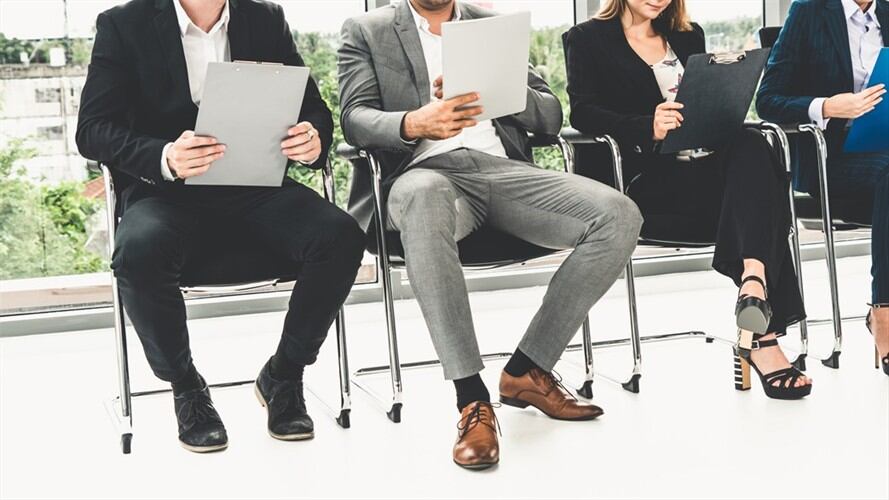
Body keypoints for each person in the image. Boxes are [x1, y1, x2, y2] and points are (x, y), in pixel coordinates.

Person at [338, 0, 643, 470]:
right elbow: (354, 119)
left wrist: (501, 92)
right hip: (421, 173)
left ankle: (527, 369)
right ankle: (471, 400)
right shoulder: (367, 29)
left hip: (501, 172)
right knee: (426, 197)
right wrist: (414, 122)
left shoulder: (492, 25)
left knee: (618, 214)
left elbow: (551, 117)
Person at [76, 0, 366, 453]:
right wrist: (164, 155)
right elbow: (92, 130)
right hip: (165, 192)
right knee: (138, 250)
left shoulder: (264, 18)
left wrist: (313, 136)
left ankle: (284, 376)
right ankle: (187, 388)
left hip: (255, 187)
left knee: (341, 235)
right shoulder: (123, 24)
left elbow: (313, 108)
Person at [564, 0, 813, 399]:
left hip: (704, 170)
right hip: (649, 182)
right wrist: (648, 127)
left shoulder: (686, 34)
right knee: (761, 204)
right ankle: (763, 339)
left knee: (752, 142)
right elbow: (583, 114)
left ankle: (753, 281)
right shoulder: (587, 39)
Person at [757, 0, 889, 377]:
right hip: (829, 161)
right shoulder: (811, 10)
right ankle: (884, 311)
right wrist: (828, 106)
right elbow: (768, 101)